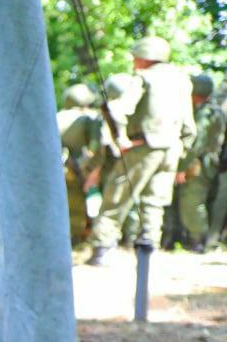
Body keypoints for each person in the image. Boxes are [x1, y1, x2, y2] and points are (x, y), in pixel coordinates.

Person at [84, 36, 196, 267]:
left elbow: (118, 110)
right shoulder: (182, 81)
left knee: (116, 198)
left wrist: (122, 139)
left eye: (135, 57)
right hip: (171, 149)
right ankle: (148, 249)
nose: (134, 61)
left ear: (144, 57)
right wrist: (181, 150)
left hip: (143, 147)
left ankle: (101, 249)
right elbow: (189, 127)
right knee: (155, 202)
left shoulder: (144, 78)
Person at [176, 73, 227, 252]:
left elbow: (196, 144)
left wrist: (182, 168)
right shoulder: (213, 110)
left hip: (198, 164)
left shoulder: (205, 113)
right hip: (207, 163)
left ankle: (197, 241)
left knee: (192, 201)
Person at [59, 83, 100, 246]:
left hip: (62, 167)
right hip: (83, 168)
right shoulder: (89, 118)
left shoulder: (57, 116)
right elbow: (95, 145)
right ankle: (77, 240)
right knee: (80, 206)